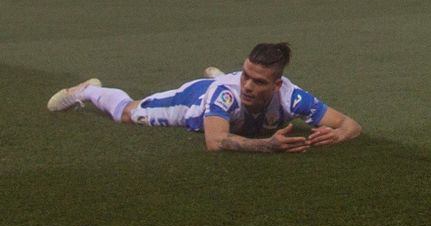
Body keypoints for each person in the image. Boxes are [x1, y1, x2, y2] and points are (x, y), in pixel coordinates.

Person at [45, 42, 362, 153]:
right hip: (193, 102)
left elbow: (350, 124)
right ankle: (88, 90)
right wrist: (268, 145)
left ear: (277, 85)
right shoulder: (226, 94)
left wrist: (338, 135)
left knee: (233, 102)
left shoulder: (292, 98)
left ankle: (221, 75)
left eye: (258, 81)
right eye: (245, 75)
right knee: (128, 113)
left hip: (223, 96)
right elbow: (215, 142)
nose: (248, 85)